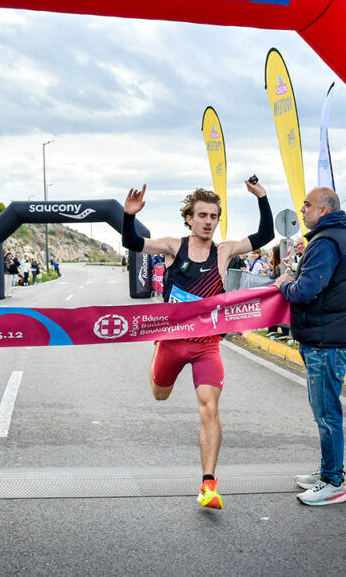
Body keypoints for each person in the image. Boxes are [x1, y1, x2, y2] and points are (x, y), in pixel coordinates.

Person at [122, 178, 273, 510]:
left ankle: (208, 484)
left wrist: (262, 198)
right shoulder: (174, 246)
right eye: (202, 215)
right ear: (189, 218)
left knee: (210, 408)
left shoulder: (225, 251)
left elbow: (265, 236)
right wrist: (129, 215)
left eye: (213, 216)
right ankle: (155, 354)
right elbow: (133, 243)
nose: (208, 221)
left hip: (207, 344)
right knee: (159, 394)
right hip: (173, 342)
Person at [275, 187, 346, 507]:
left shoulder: (326, 242)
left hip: (326, 340)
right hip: (331, 336)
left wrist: (283, 284)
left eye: (307, 205)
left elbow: (306, 290)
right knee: (325, 412)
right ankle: (329, 470)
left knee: (326, 414)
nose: (302, 210)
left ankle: (333, 482)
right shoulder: (343, 236)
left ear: (323, 211)